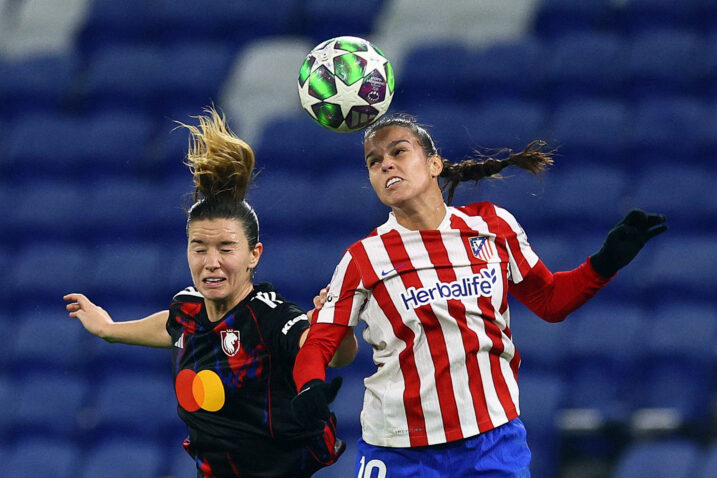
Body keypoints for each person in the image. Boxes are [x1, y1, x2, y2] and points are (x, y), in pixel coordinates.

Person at [290, 114, 667, 477]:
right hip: (400, 450)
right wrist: (308, 386)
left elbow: (550, 301)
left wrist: (604, 262)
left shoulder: (492, 226)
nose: (386, 164)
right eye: (374, 162)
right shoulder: (363, 258)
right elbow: (320, 342)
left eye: (399, 151)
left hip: (492, 442)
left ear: (434, 164)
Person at [64, 107, 357, 478]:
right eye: (199, 248)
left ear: (254, 255)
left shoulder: (269, 315)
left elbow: (325, 351)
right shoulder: (188, 307)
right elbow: (171, 325)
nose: (211, 263)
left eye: (226, 248)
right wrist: (109, 329)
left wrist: (340, 326)